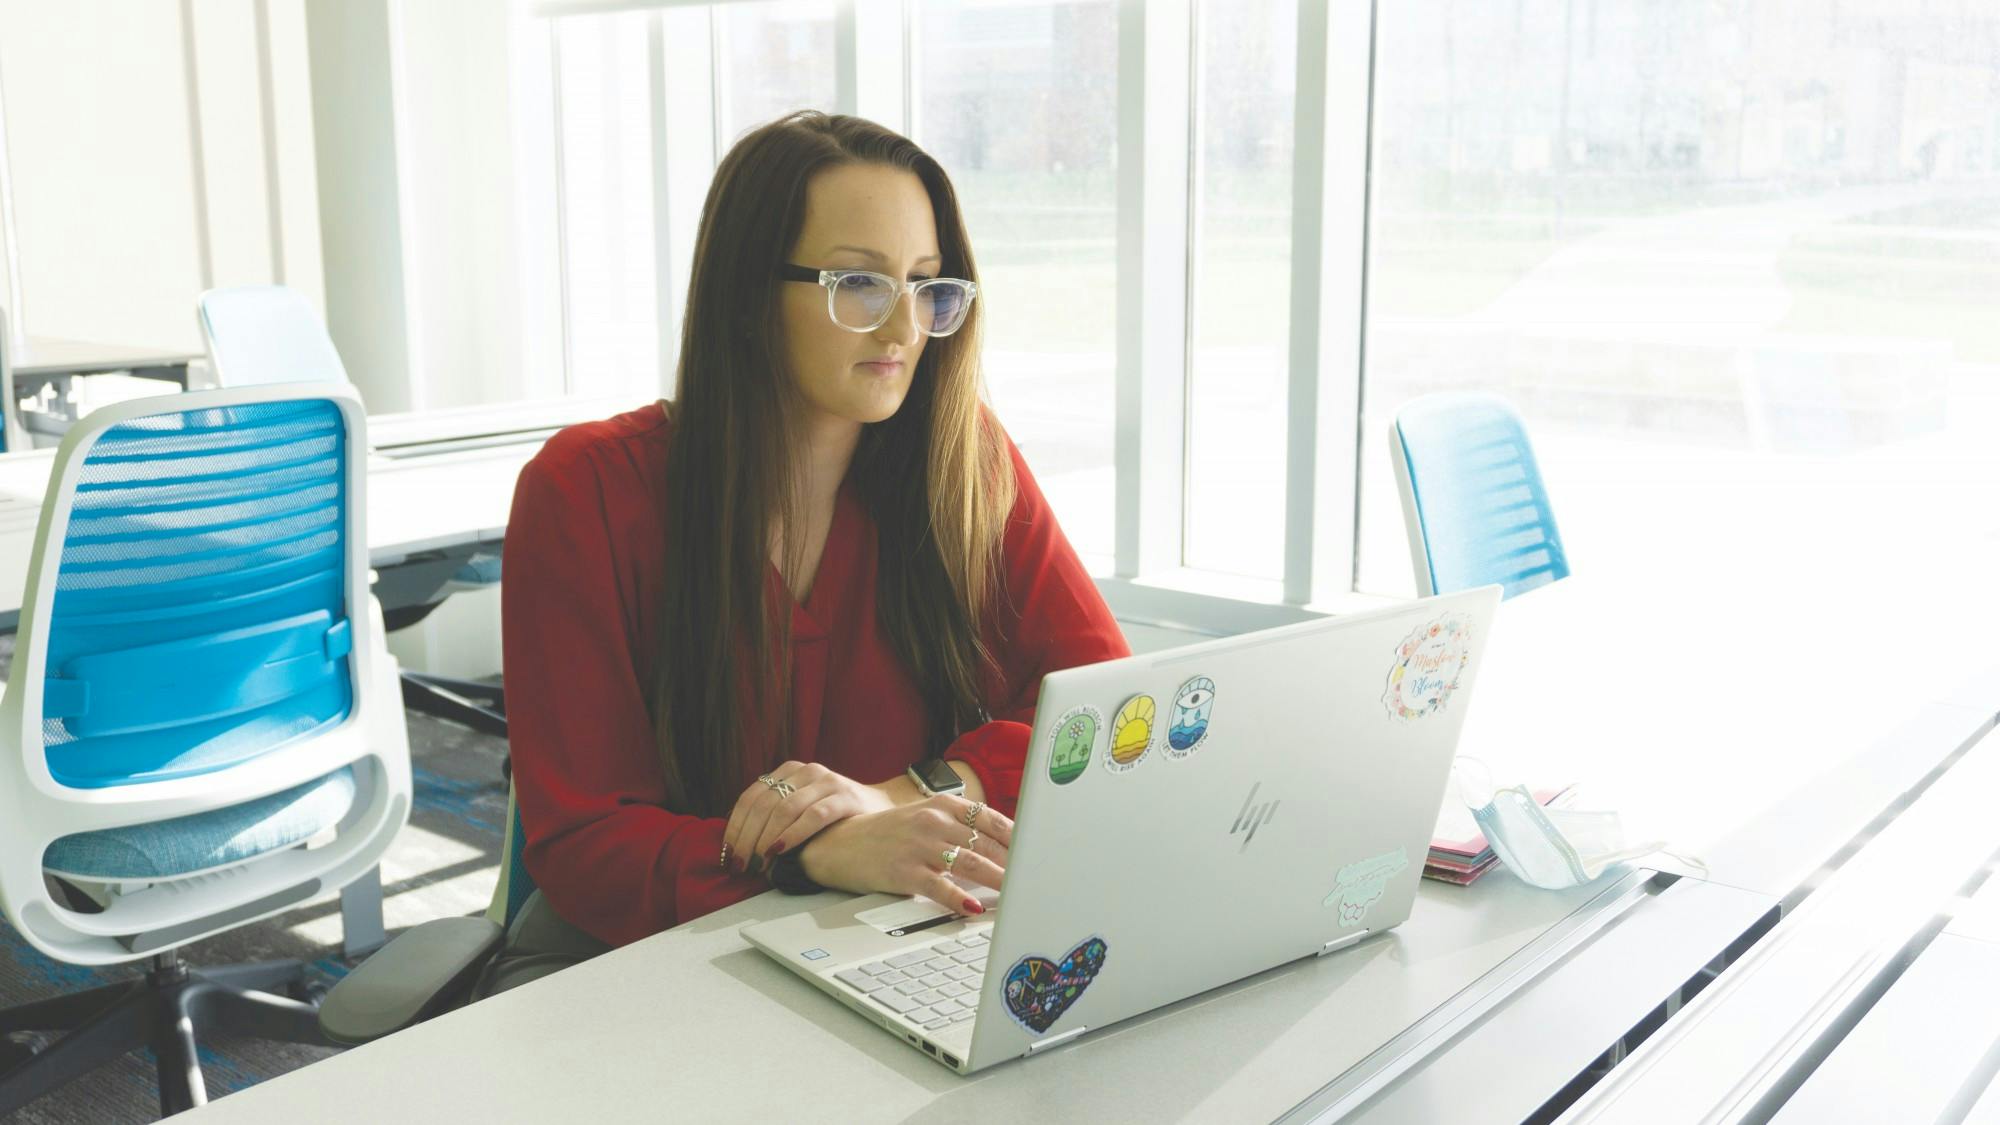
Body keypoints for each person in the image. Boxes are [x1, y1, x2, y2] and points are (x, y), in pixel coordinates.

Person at [501, 111, 1129, 952]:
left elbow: (1108, 701)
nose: (905, 329)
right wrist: (820, 850)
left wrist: (902, 796)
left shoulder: (961, 457)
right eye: (860, 284)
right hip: (653, 953)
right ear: (750, 296)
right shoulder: (585, 491)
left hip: (891, 931)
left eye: (927, 285)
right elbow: (586, 844)